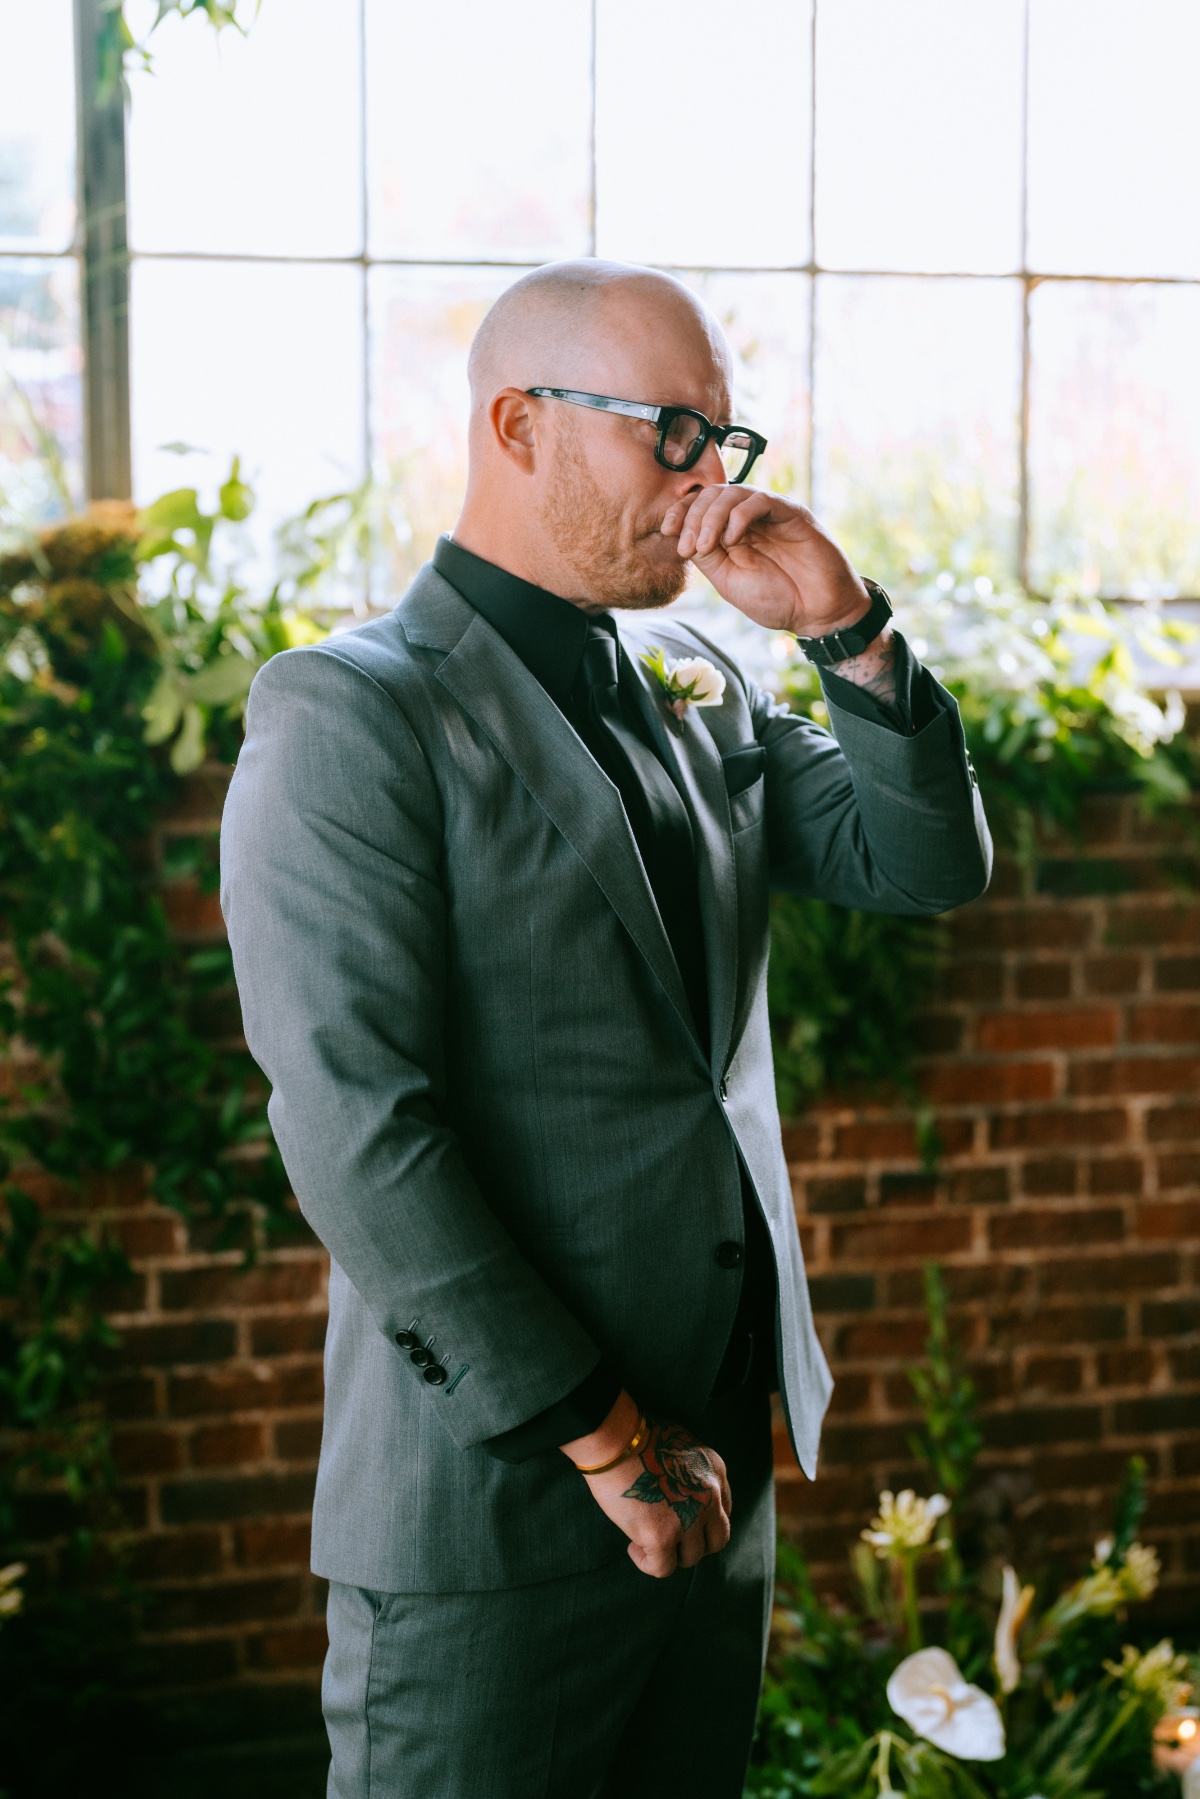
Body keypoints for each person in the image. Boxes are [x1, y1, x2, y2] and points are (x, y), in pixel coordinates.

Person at [220, 260, 992, 1798]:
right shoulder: (349, 713)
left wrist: (842, 627)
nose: (711, 483)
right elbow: (360, 1130)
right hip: (499, 1499)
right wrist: (607, 1444)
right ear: (519, 424)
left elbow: (925, 864)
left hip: (720, 1479)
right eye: (673, 434)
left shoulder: (699, 683)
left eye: (727, 439)